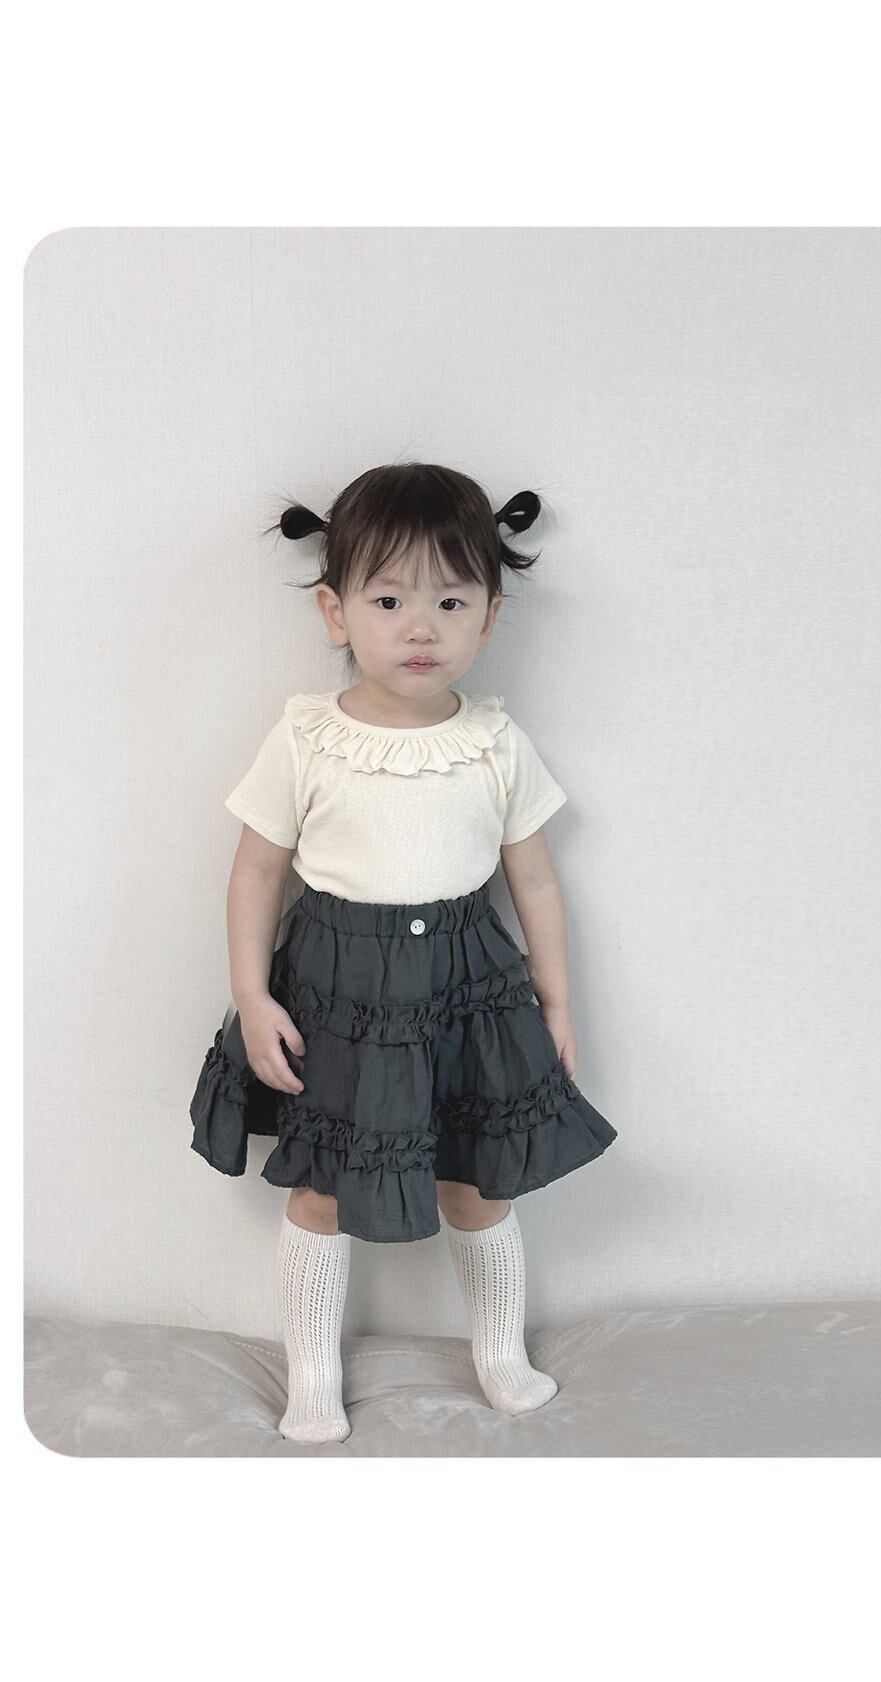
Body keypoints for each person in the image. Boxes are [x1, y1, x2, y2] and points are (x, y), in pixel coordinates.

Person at [188, 462, 617, 1443]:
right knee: (322, 1188)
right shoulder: (307, 737)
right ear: (336, 611)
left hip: (469, 989)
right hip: (337, 989)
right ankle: (311, 1371)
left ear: (489, 618)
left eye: (450, 601)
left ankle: (498, 1349)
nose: (420, 627)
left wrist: (555, 1006)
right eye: (389, 601)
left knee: (477, 1182)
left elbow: (535, 883)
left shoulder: (495, 743)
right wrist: (251, 996)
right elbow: (255, 873)